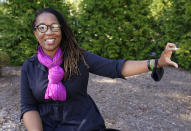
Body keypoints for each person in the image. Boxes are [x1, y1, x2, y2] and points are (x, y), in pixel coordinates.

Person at [20, 8, 178, 131]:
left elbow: (115, 68)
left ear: (61, 30)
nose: (48, 32)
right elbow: (28, 107)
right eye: (42, 27)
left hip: (84, 126)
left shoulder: (79, 57)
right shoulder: (29, 67)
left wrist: (157, 62)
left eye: (54, 26)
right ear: (35, 33)